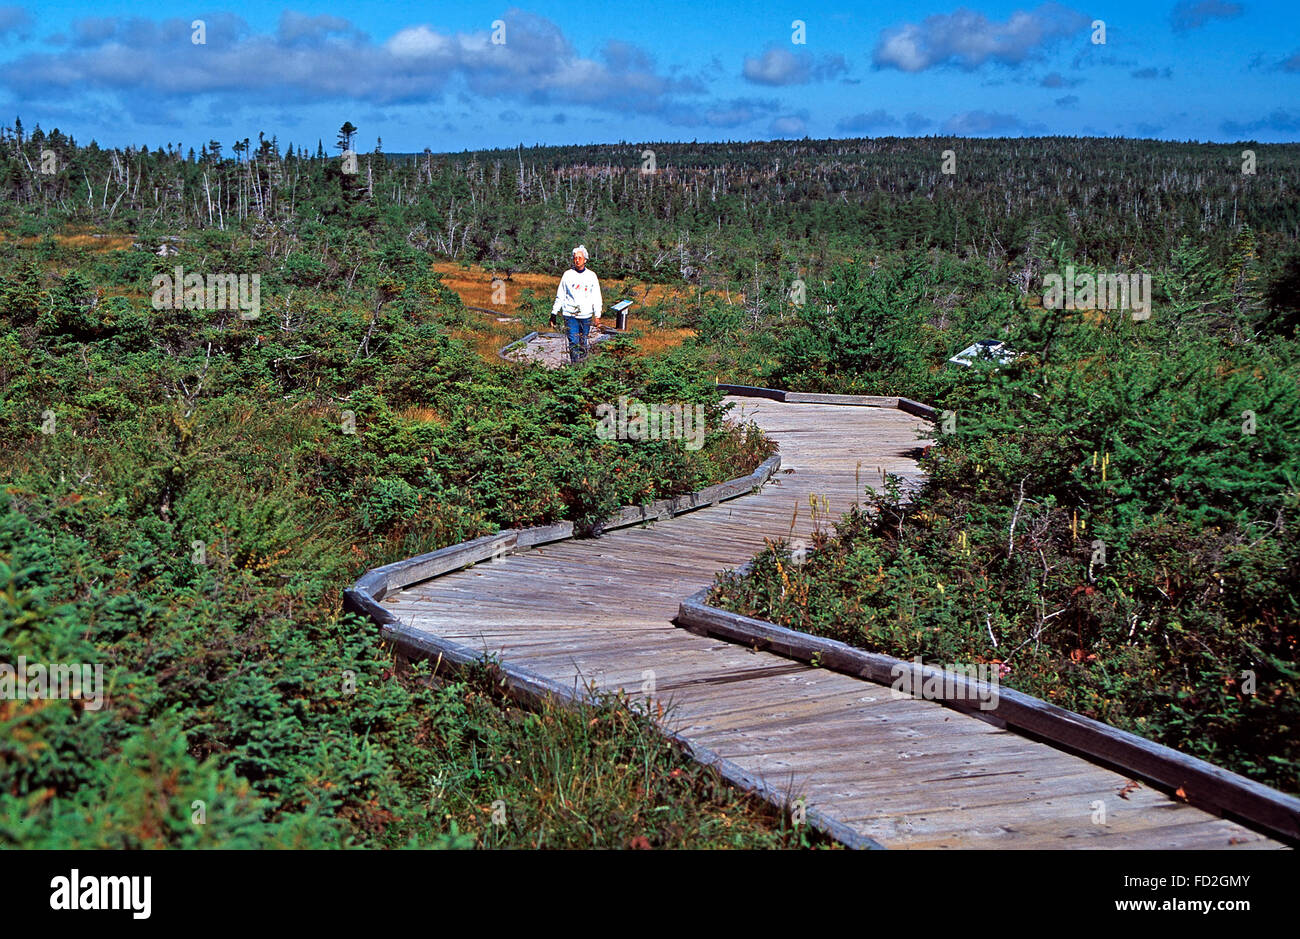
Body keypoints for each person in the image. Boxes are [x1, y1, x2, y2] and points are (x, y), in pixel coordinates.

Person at [550, 245, 602, 363]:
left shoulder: (591, 276)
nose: (577, 260)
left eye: (580, 257)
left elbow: (597, 297)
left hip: (586, 315)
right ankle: (574, 366)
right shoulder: (567, 275)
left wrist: (597, 315)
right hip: (570, 315)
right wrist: (554, 312)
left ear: (585, 259)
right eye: (575, 257)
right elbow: (561, 295)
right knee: (573, 341)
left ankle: (582, 367)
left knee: (583, 341)